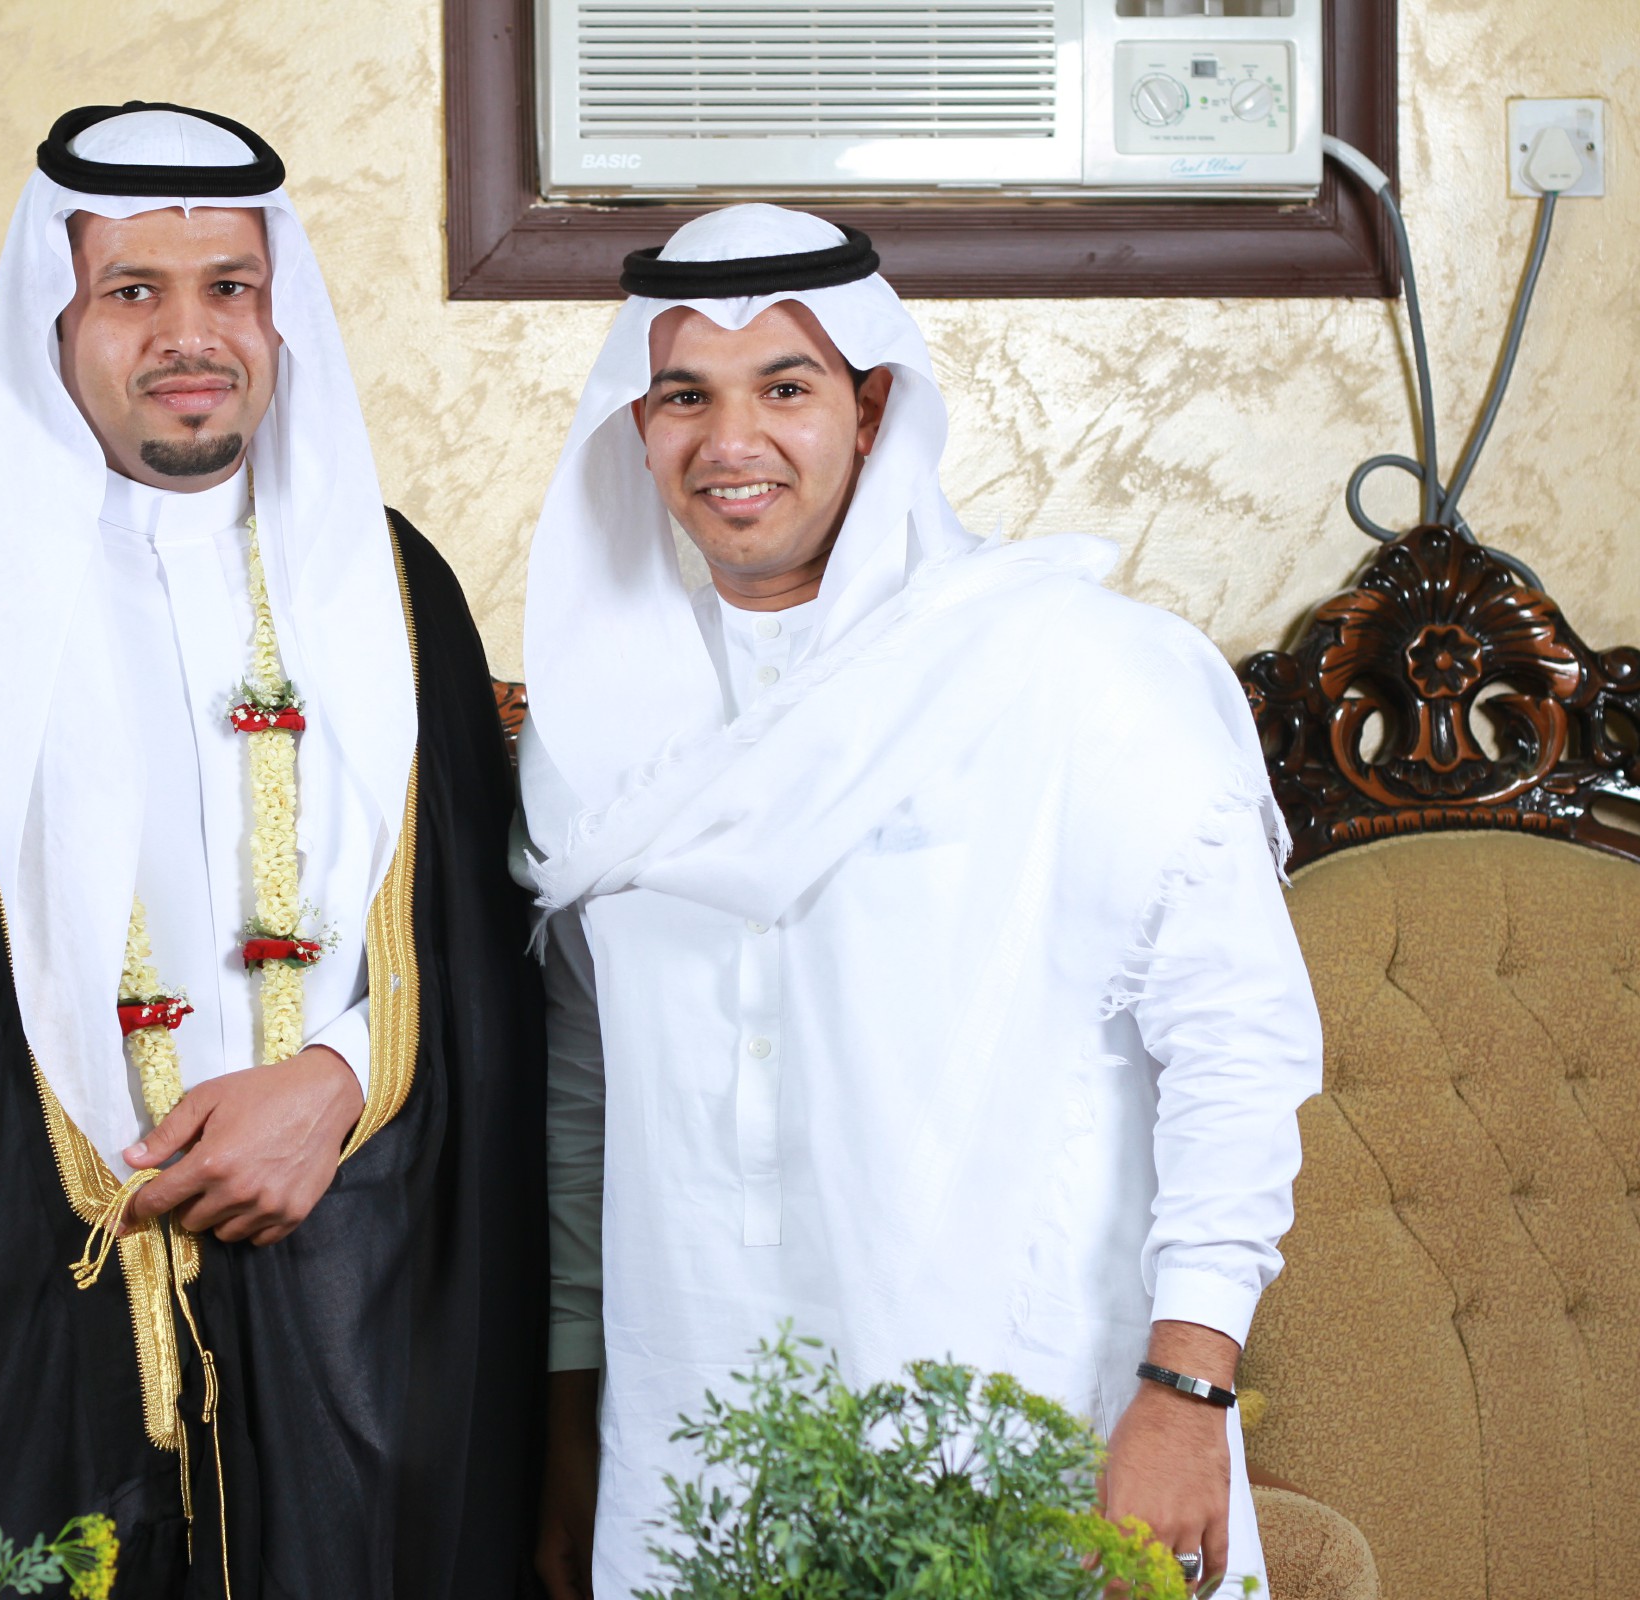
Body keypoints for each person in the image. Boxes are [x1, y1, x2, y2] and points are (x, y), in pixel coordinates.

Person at [0, 102, 545, 1600]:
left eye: (230, 287)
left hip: (359, 1339)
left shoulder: (396, 589)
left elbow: (485, 972)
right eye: (134, 290)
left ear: (278, 315)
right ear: (56, 320)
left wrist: (336, 1078)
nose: (190, 335)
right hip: (10, 1335)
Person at [519, 204, 1321, 1600]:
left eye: (785, 388)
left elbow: (1235, 1042)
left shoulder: (1075, 670)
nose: (731, 442)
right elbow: (583, 1091)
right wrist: (569, 1418)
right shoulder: (594, 736)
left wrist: (1189, 1392)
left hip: (1037, 1414)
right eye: (685, 397)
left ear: (875, 410)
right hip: (699, 1432)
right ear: (635, 429)